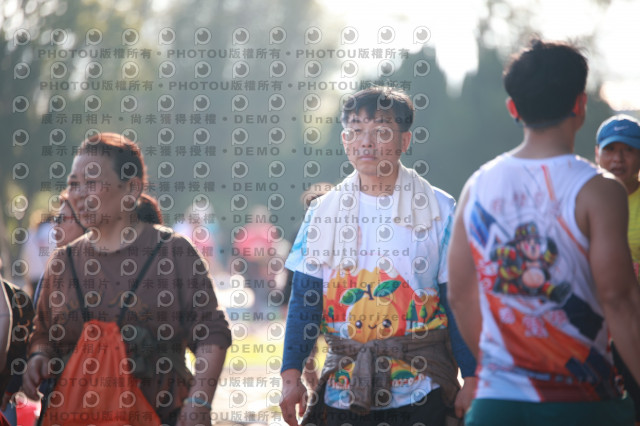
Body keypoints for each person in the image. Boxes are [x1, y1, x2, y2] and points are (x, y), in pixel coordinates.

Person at [448, 39, 640, 426]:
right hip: (584, 401)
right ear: (580, 105)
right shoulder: (600, 190)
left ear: (513, 109)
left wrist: (499, 370)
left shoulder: (477, 186)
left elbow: (460, 294)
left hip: (497, 403)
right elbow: (619, 300)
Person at [280, 87, 476, 426]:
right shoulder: (322, 212)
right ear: (345, 140)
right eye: (356, 130)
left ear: (405, 141)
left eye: (381, 131)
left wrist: (472, 377)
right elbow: (305, 301)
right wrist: (291, 375)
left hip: (421, 387)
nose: (367, 142)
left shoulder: (440, 210)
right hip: (342, 390)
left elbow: (458, 300)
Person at [23, 132, 231, 426]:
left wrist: (199, 401)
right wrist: (38, 358)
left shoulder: (173, 252)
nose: (78, 194)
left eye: (91, 182)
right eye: (73, 184)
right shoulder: (62, 263)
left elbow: (211, 331)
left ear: (131, 188)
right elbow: (43, 334)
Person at [594, 114, 640, 425]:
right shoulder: (582, 199)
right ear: (597, 153)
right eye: (611, 150)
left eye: (628, 150)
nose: (618, 159)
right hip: (593, 329)